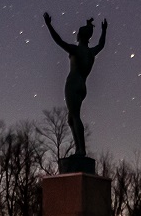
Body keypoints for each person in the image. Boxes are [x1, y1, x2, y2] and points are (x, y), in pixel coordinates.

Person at [44, 12, 106, 158]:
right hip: (83, 86)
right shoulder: (91, 52)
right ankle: (79, 149)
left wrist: (49, 25)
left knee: (75, 116)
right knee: (71, 119)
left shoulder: (76, 50)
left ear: (80, 36)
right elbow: (101, 45)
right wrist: (104, 31)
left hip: (73, 83)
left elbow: (59, 41)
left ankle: (81, 150)